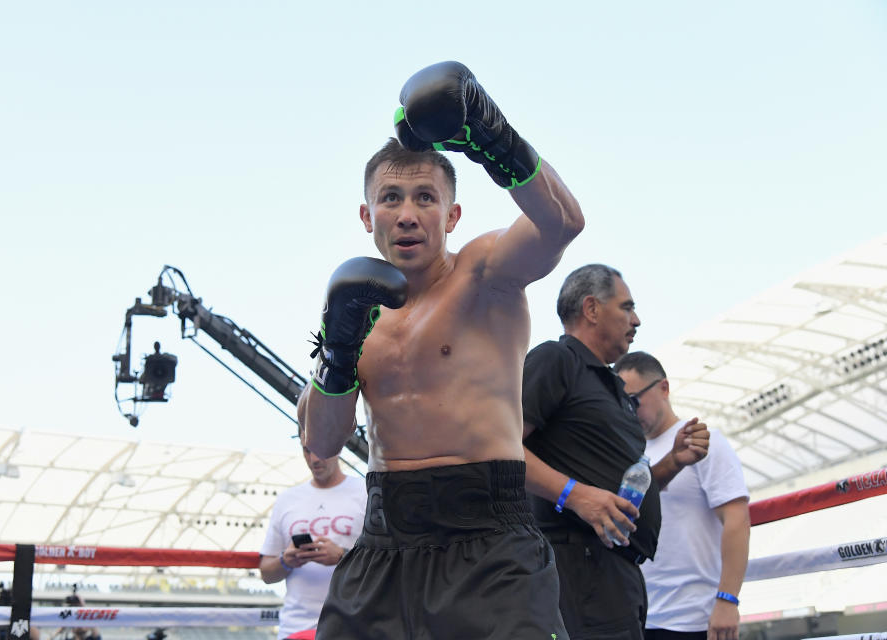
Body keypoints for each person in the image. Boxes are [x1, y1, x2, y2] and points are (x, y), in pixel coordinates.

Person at [298, 60, 584, 639]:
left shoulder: (484, 274)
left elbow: (561, 225)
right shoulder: (356, 308)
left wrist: (491, 136)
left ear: (452, 214)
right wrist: (337, 350)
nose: (407, 214)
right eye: (391, 198)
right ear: (366, 215)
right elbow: (321, 442)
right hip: (384, 540)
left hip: (490, 542)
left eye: (426, 197)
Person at [521, 263, 711, 640]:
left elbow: (618, 487)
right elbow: (498, 447)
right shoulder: (556, 360)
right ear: (591, 309)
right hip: (578, 568)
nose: (636, 319)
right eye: (626, 307)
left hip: (616, 573)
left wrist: (672, 462)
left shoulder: (610, 386)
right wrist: (573, 495)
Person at [615, 351, 750, 640]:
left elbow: (737, 520)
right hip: (638, 618)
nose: (629, 409)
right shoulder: (627, 453)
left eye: (634, 400)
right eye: (622, 402)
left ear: (663, 388)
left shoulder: (703, 441)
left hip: (693, 619)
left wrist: (728, 600)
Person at [258, 424, 366, 640]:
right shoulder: (287, 500)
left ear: (338, 446)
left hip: (354, 627)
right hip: (295, 629)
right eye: (307, 450)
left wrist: (343, 557)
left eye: (321, 449)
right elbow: (266, 573)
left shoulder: (366, 492)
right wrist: (286, 560)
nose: (315, 459)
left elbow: (390, 565)